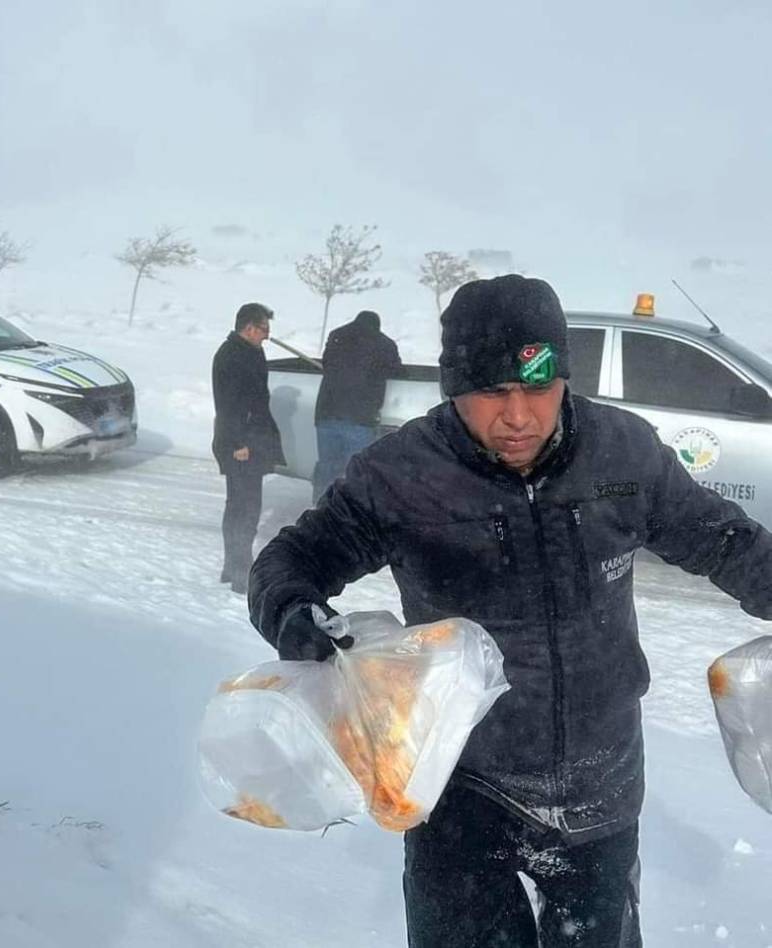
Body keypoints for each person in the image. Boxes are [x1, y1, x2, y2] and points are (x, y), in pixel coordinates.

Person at [247, 274, 772, 947]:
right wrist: (295, 615)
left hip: (601, 783)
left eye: (538, 387)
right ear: (455, 389)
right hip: (460, 784)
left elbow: (726, 542)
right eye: (493, 392)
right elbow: (288, 562)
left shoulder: (625, 454)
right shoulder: (403, 475)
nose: (519, 415)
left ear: (563, 379)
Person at [212, 302, 285, 595]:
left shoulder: (250, 352)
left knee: (242, 505)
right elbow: (228, 405)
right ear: (250, 327)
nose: (267, 336)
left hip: (252, 439)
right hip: (241, 443)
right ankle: (241, 571)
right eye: (264, 329)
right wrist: (237, 443)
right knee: (245, 506)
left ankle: (234, 565)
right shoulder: (231, 356)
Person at [312, 309, 401, 500]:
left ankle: (320, 510)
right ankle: (347, 516)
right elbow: (397, 370)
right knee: (355, 472)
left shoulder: (336, 335)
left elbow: (327, 363)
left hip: (327, 414)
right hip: (360, 418)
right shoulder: (384, 344)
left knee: (327, 466)